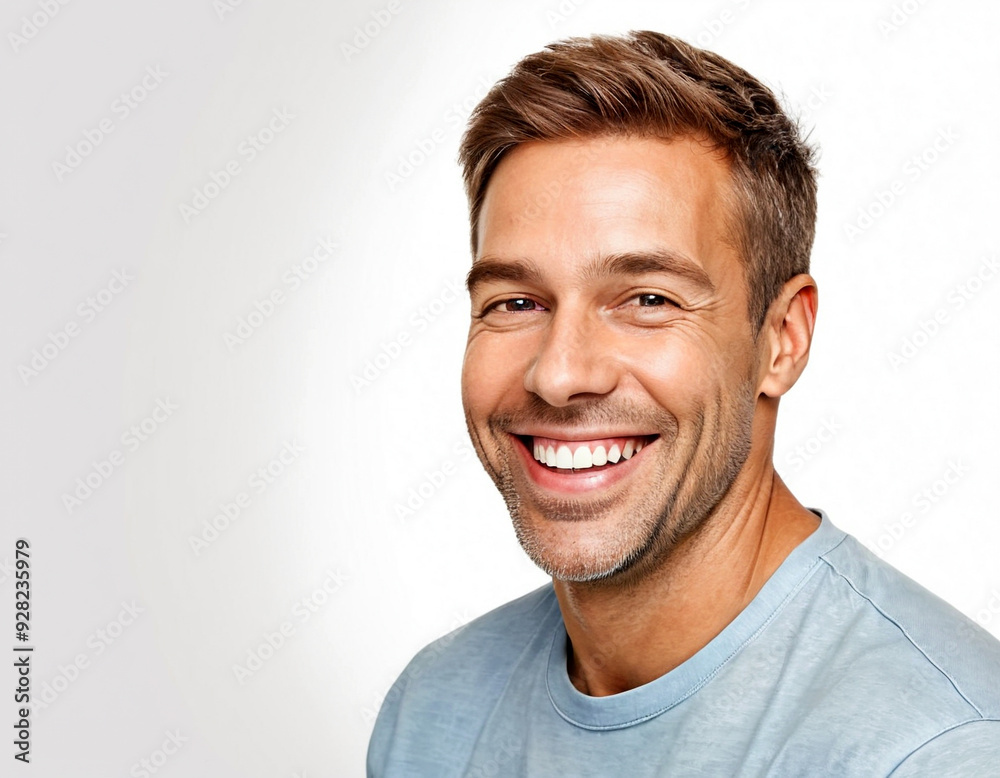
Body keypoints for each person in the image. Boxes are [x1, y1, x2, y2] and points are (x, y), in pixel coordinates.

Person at [367, 31, 1000, 776]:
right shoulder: (431, 715)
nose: (559, 374)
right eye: (515, 301)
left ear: (781, 340)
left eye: (646, 298)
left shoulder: (935, 750)